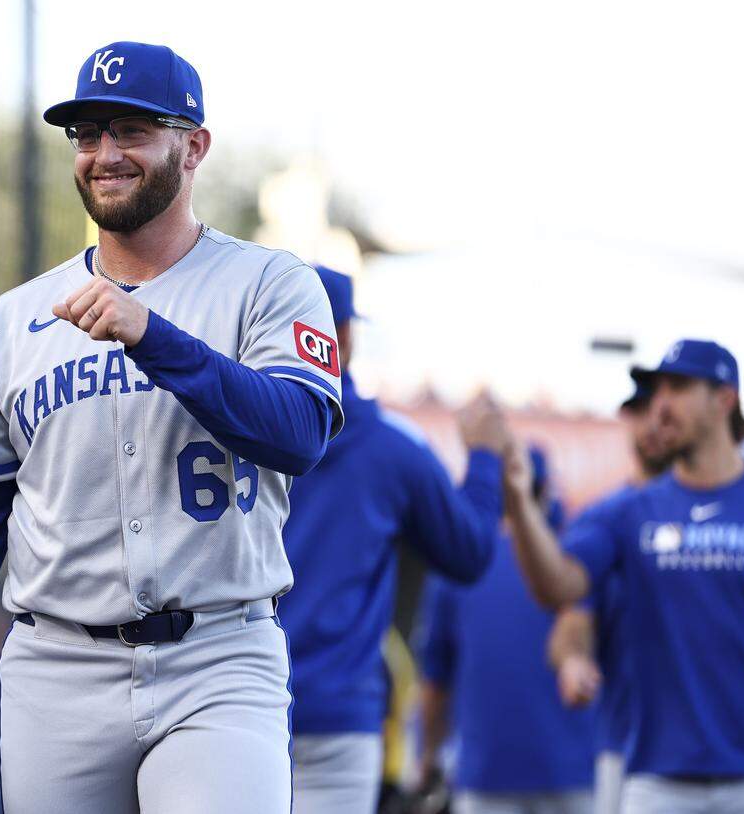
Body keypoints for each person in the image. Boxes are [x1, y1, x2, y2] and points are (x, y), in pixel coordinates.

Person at [0, 41, 344, 814]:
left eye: (132, 130)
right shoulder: (16, 318)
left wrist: (156, 337)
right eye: (87, 135)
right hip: (58, 666)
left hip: (218, 653)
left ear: (194, 145)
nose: (105, 154)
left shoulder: (269, 284)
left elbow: (299, 435)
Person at [504, 339, 744, 813]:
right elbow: (560, 588)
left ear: (724, 399)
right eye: (657, 392)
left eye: (677, 388)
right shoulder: (625, 513)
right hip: (656, 777)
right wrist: (519, 503)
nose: (661, 405)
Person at [277, 266, 510, 814]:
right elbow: (470, 551)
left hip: (228, 702)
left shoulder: (224, 424)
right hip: (337, 717)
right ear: (346, 336)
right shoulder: (391, 447)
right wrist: (481, 459)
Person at [415, 447, 596, 814]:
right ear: (546, 491)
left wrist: (427, 757)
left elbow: (435, 683)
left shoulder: (461, 565)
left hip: (487, 775)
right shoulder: (575, 557)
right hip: (571, 774)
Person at [546, 380, 675, 814]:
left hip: (740, 756)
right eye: (640, 411)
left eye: (662, 409)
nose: (652, 424)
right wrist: (573, 660)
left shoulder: (735, 508)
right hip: (630, 748)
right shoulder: (606, 518)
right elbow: (574, 618)